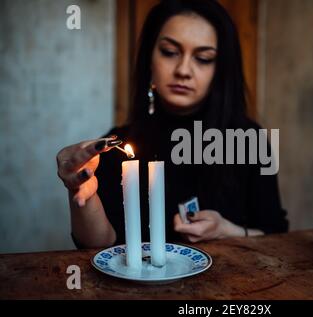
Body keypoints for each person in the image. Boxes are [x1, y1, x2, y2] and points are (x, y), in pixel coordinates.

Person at [56, 0, 288, 249]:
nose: (183, 70)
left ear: (220, 69)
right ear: (149, 58)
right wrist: (80, 192)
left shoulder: (249, 139)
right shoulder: (117, 146)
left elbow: (277, 237)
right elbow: (100, 247)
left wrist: (227, 231)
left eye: (203, 58)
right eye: (169, 52)